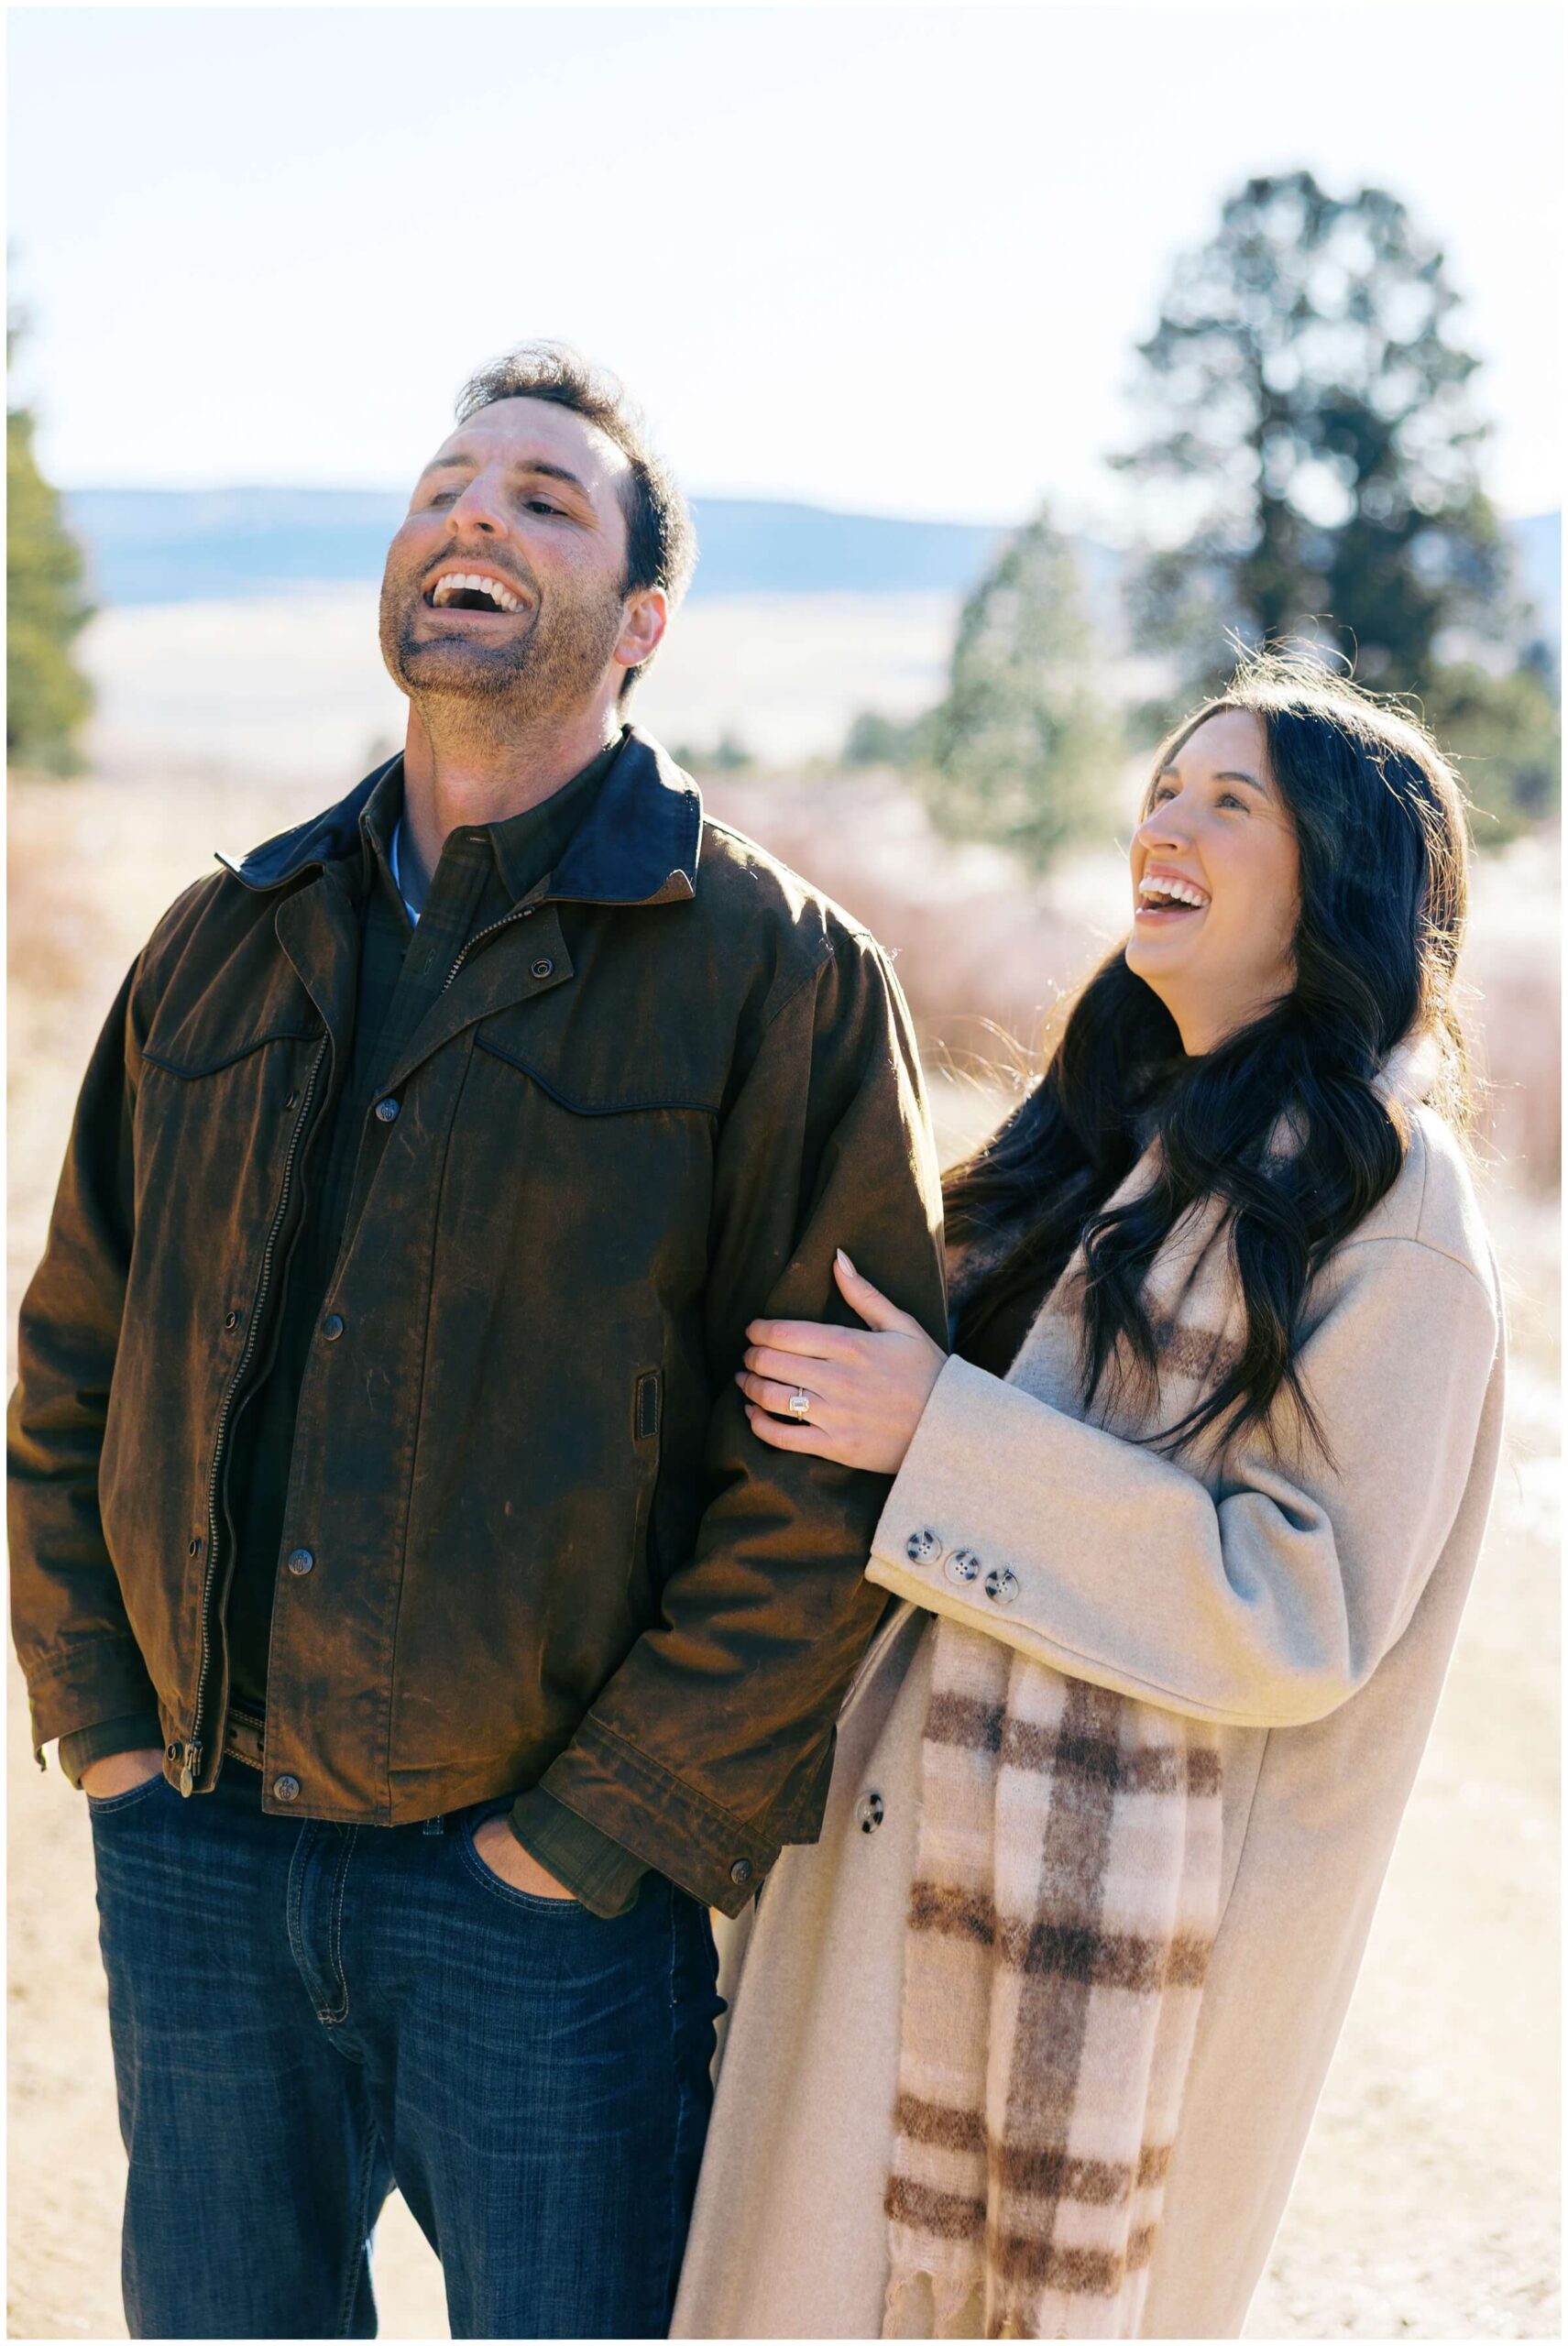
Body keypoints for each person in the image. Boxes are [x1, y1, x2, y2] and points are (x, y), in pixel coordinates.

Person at [7, 342, 947, 2341]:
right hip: (194, 1854)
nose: (470, 514)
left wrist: (593, 1831)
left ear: (640, 624)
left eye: (542, 499)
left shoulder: (774, 976)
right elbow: (73, 1355)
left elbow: (828, 1472)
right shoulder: (227, 934)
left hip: (542, 1907)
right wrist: (102, 1721)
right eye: (444, 482)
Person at [672, 655, 1505, 2341]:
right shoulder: (1103, 1136)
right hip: (875, 1890)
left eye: (1229, 800)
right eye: (1161, 790)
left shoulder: (1389, 1204)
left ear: (1338, 873)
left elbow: (1300, 1606)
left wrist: (941, 1437)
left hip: (1099, 1963)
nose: (1164, 823)